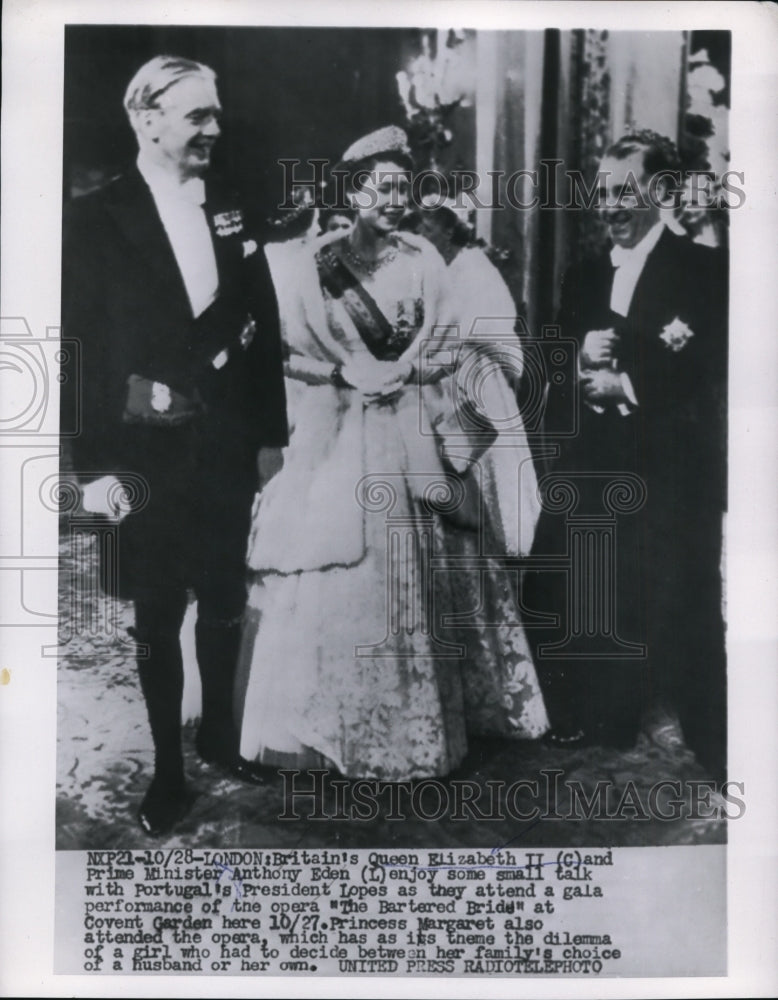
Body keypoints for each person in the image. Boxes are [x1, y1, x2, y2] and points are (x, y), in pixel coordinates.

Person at [236, 126, 548, 782]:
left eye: (403, 187)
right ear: (352, 192)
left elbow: (449, 344)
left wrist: (413, 373)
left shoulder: (423, 260)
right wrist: (346, 376)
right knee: (338, 571)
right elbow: (290, 357)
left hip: (415, 434)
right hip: (343, 439)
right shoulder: (314, 265)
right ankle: (325, 730)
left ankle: (421, 733)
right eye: (381, 187)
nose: (395, 199)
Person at [61, 56, 288, 835]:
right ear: (146, 118)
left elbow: (265, 329)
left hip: (225, 440)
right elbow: (78, 349)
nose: (214, 130)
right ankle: (167, 772)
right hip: (143, 449)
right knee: (157, 611)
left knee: (226, 594)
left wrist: (270, 437)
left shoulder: (230, 204)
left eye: (216, 114)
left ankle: (221, 739)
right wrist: (90, 467)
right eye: (198, 115)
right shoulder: (92, 219)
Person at [527, 130, 727, 776]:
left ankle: (715, 736)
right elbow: (548, 358)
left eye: (624, 192)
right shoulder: (584, 271)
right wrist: (577, 355)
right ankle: (595, 711)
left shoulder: (703, 271)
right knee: (579, 580)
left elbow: (703, 370)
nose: (609, 206)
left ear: (662, 192)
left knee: (673, 594)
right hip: (595, 457)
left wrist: (627, 381)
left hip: (667, 463)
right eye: (603, 192)